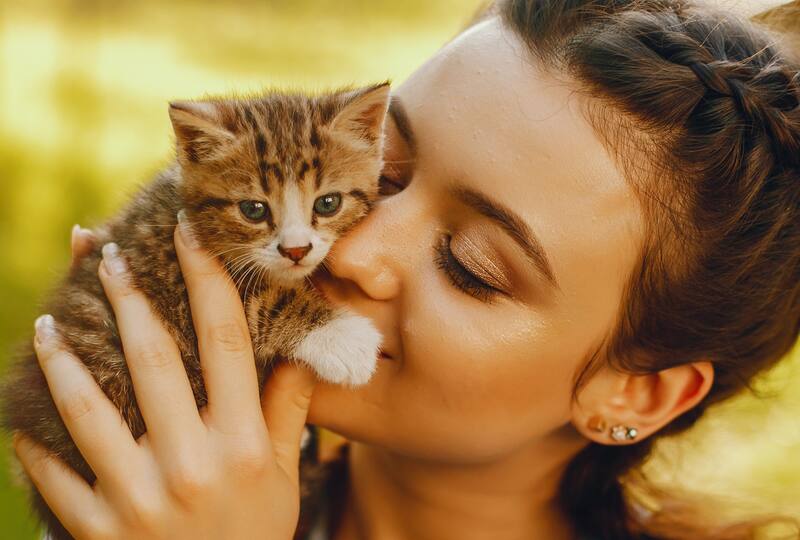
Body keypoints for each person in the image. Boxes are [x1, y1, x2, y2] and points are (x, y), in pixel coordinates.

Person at [12, 0, 800, 538]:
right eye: (384, 177)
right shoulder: (159, 497)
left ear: (636, 392)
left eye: (471, 267)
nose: (349, 251)